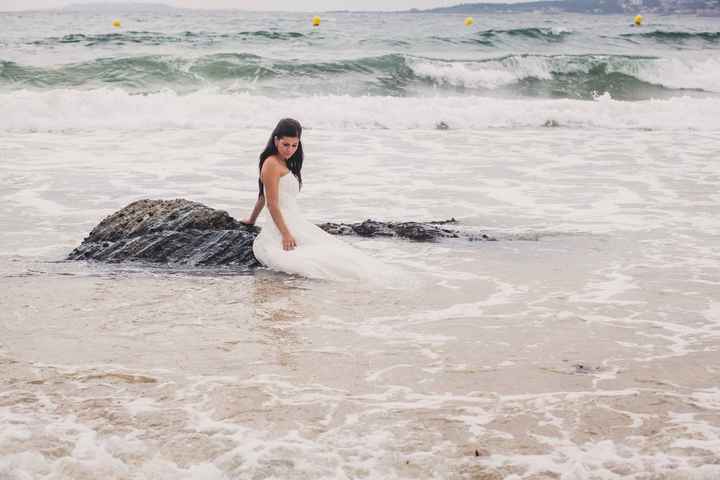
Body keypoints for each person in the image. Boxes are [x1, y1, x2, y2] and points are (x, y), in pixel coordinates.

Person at [242, 118, 399, 283]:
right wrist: (285, 234)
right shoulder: (271, 164)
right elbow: (270, 202)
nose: (290, 150)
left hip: (295, 220)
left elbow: (262, 195)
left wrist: (252, 220)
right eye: (285, 145)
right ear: (276, 140)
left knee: (334, 252)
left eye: (294, 145)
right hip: (281, 225)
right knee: (310, 260)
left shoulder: (284, 161)